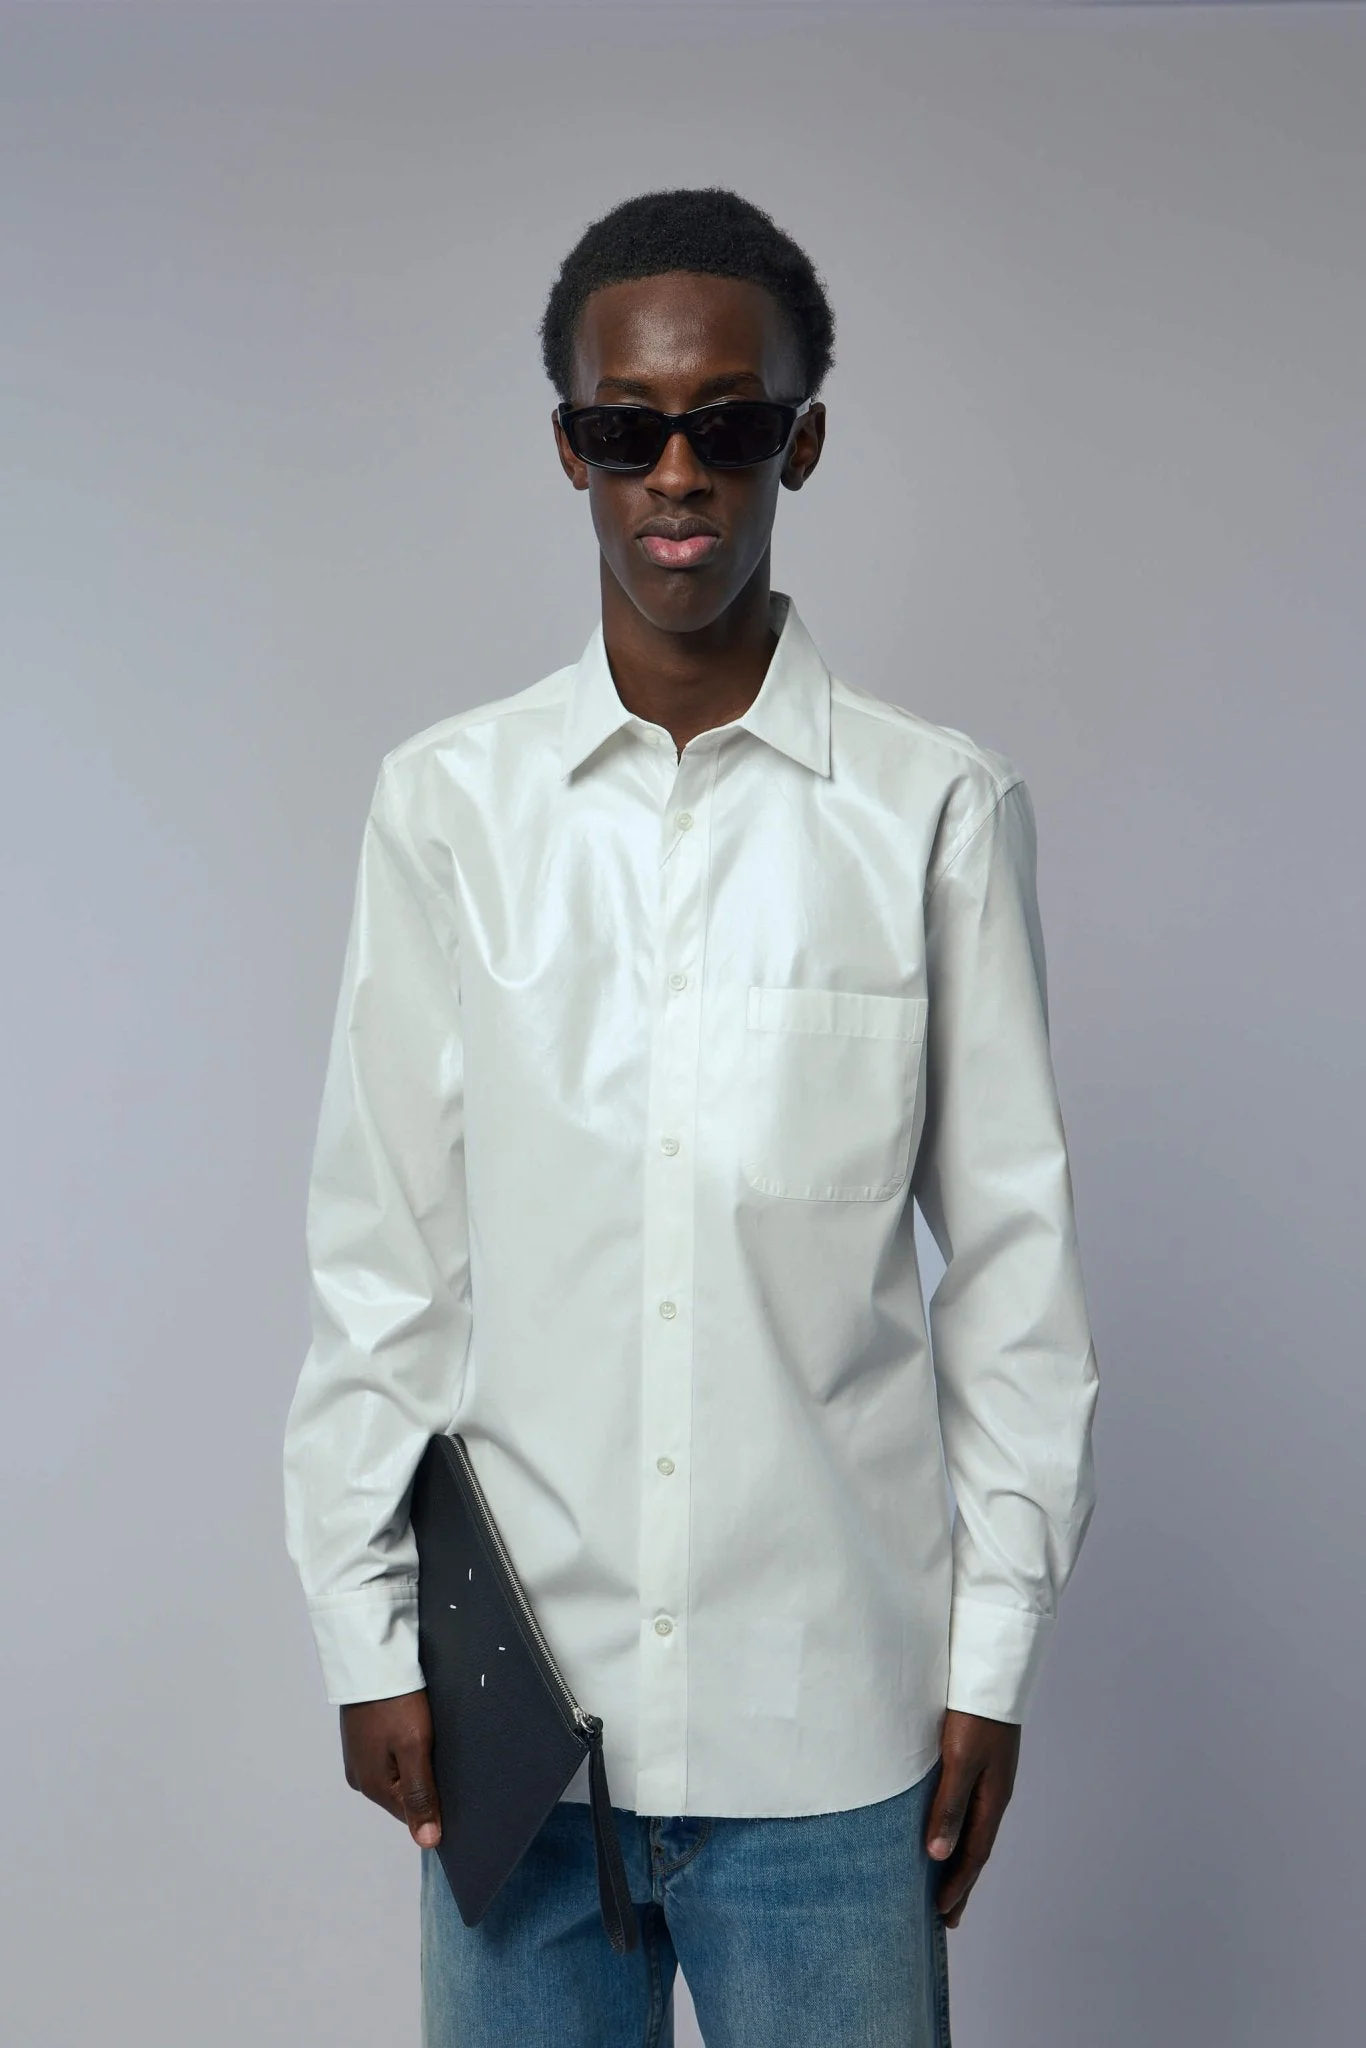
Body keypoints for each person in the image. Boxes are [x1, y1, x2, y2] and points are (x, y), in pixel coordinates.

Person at [283, 186, 1099, 2048]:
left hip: (832, 1734)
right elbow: (385, 1257)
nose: (674, 471)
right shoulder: (447, 808)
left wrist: (992, 1662)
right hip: (517, 1733)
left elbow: (1013, 1277)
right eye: (622, 424)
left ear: (797, 442)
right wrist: (361, 1624)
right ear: (564, 446)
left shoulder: (934, 811)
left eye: (726, 425)